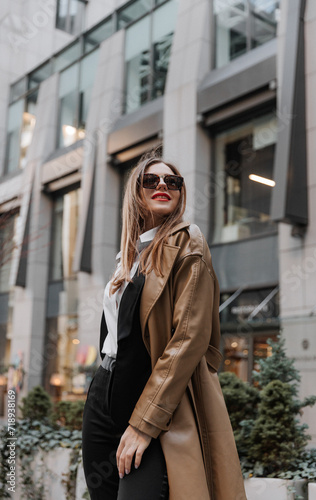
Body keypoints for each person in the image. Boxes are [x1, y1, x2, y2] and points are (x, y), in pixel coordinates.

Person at [82, 154, 246, 500]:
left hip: (151, 398)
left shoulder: (189, 242)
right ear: (135, 191)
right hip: (103, 394)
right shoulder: (129, 255)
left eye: (171, 182)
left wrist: (144, 424)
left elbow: (189, 337)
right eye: (151, 180)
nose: (162, 186)